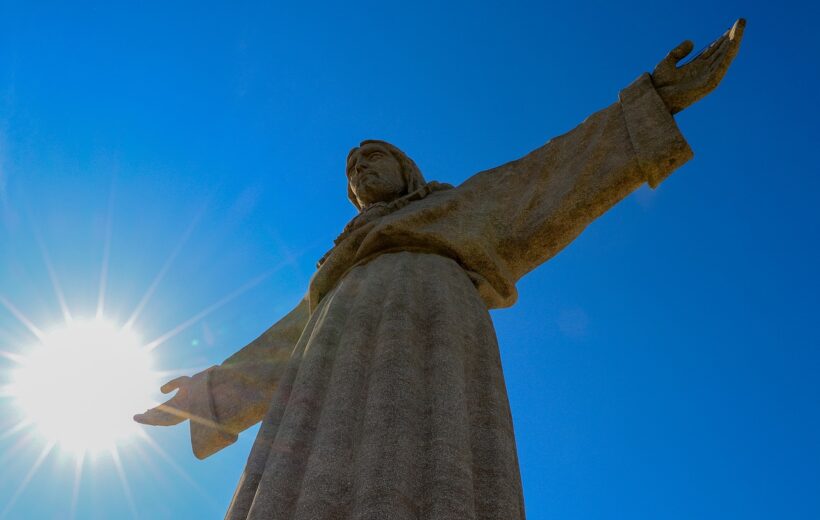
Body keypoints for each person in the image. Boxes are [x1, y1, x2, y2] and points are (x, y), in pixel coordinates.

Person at [136, 20, 745, 520]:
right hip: (333, 344)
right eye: (353, 172)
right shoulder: (339, 268)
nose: (360, 171)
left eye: (373, 159)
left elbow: (549, 176)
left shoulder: (456, 210)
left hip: (433, 308)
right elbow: (282, 343)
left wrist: (653, 103)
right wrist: (207, 395)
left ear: (408, 171)